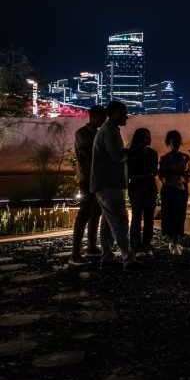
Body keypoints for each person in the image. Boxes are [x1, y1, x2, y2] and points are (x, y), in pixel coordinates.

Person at [91, 100, 146, 271]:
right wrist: (133, 151)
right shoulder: (109, 130)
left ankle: (107, 258)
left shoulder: (108, 129)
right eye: (124, 114)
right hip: (109, 183)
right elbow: (117, 156)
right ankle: (129, 259)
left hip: (105, 182)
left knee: (108, 222)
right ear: (115, 113)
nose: (126, 117)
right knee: (119, 220)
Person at [69, 105, 107, 266]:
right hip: (87, 179)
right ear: (93, 117)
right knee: (84, 214)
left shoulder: (99, 133)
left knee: (96, 212)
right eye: (102, 117)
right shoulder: (82, 133)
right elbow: (85, 157)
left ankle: (91, 246)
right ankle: (75, 254)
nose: (104, 120)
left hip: (98, 178)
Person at [158, 130, 190, 256]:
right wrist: (177, 175)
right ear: (169, 143)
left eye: (178, 141)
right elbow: (161, 175)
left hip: (180, 190)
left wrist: (184, 177)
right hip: (169, 189)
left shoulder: (185, 158)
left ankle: (175, 242)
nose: (176, 144)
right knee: (169, 215)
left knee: (179, 215)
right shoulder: (164, 158)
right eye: (173, 141)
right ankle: (172, 242)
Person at [127, 128, 158, 257]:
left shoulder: (152, 153)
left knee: (149, 217)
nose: (148, 138)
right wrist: (146, 172)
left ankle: (146, 244)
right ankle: (136, 246)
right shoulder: (131, 153)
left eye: (148, 136)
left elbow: (154, 171)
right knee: (137, 216)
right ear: (138, 138)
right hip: (137, 187)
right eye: (145, 136)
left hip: (149, 186)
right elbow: (130, 172)